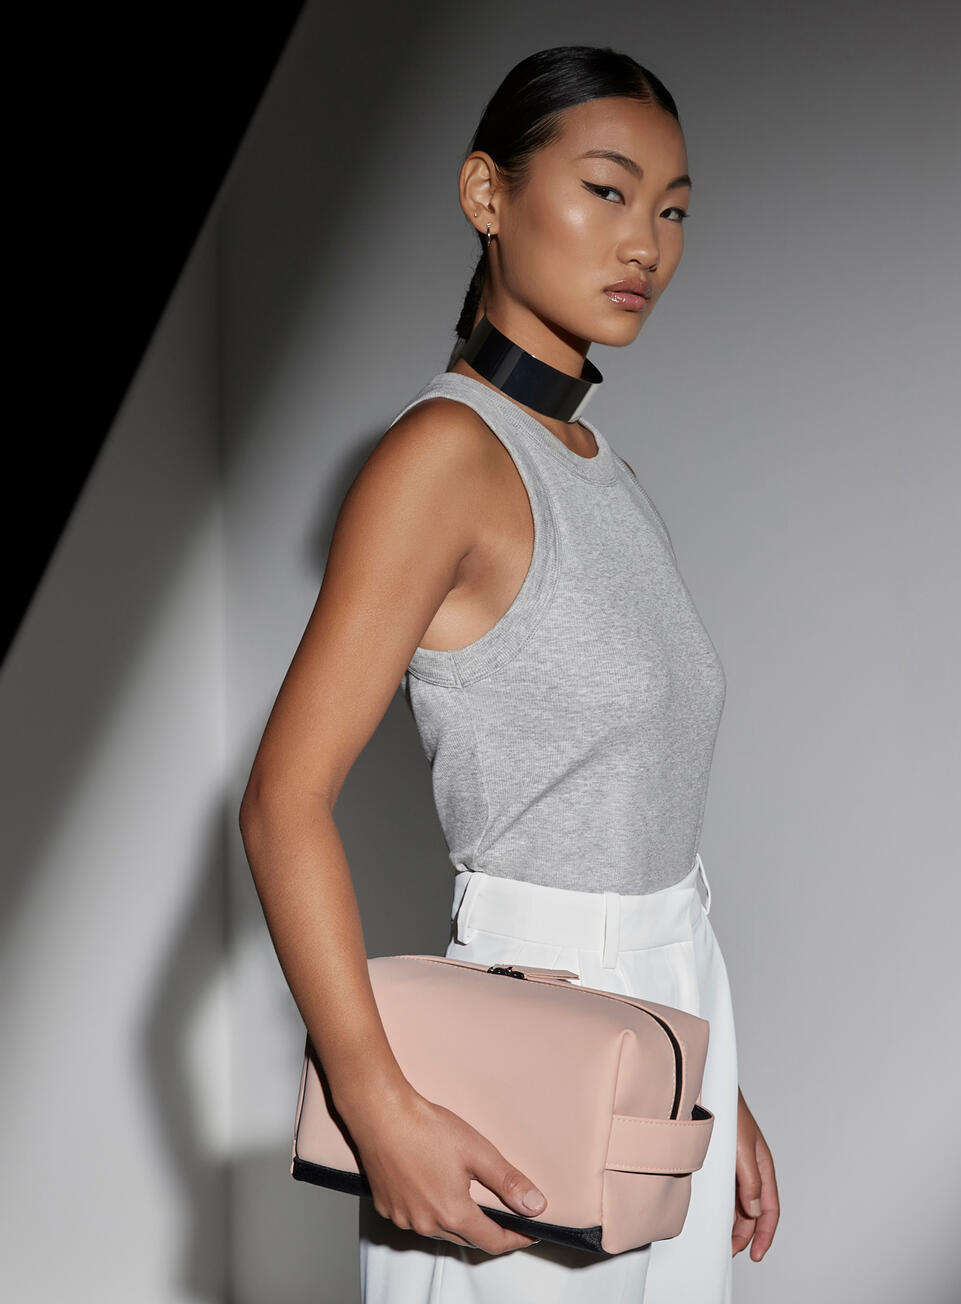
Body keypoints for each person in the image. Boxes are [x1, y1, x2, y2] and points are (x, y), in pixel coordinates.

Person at [239, 43, 779, 1304]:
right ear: (487, 193)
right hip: (526, 1044)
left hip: (665, 1024)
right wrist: (374, 1099)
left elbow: (637, 820)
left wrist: (711, 1077)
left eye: (673, 210)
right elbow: (281, 800)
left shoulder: (602, 471)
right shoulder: (443, 454)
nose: (644, 242)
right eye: (606, 190)